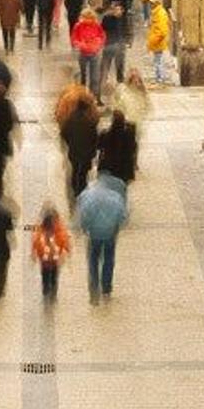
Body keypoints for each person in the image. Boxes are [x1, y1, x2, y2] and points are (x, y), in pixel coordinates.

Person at [76, 170, 128, 303]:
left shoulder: (88, 194)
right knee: (109, 260)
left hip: (94, 234)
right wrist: (117, 226)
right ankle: (106, 289)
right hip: (110, 233)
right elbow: (123, 216)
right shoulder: (115, 196)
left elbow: (83, 213)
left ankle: (94, 288)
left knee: (93, 260)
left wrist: (84, 227)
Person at [59, 89, 99, 199]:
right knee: (83, 173)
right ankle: (81, 190)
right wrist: (94, 150)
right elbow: (95, 137)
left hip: (74, 150)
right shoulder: (90, 119)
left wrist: (70, 142)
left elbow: (63, 133)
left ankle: (75, 189)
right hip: (87, 152)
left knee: (75, 169)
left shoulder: (71, 118)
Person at [31, 204, 71, 302]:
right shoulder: (59, 228)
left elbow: (35, 241)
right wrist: (67, 250)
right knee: (54, 276)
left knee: (45, 276)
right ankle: (53, 295)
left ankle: (46, 293)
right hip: (54, 259)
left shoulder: (40, 229)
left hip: (44, 260)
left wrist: (34, 253)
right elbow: (64, 239)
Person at [70, 7, 106, 96]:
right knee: (83, 75)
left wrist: (98, 45)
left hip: (94, 53)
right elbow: (74, 38)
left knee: (94, 76)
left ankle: (92, 95)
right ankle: (82, 93)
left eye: (89, 18)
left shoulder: (97, 25)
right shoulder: (78, 26)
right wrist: (80, 44)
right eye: (85, 17)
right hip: (83, 53)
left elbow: (102, 36)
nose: (87, 20)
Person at [97, 109, 138, 186]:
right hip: (125, 168)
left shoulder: (106, 134)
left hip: (109, 167)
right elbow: (133, 148)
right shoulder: (129, 134)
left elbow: (98, 146)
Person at [147, 0, 171, 85]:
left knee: (158, 61)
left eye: (152, 3)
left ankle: (160, 78)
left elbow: (162, 30)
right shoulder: (156, 12)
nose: (151, 5)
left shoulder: (160, 14)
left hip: (158, 42)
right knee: (157, 60)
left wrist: (154, 40)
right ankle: (159, 77)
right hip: (156, 41)